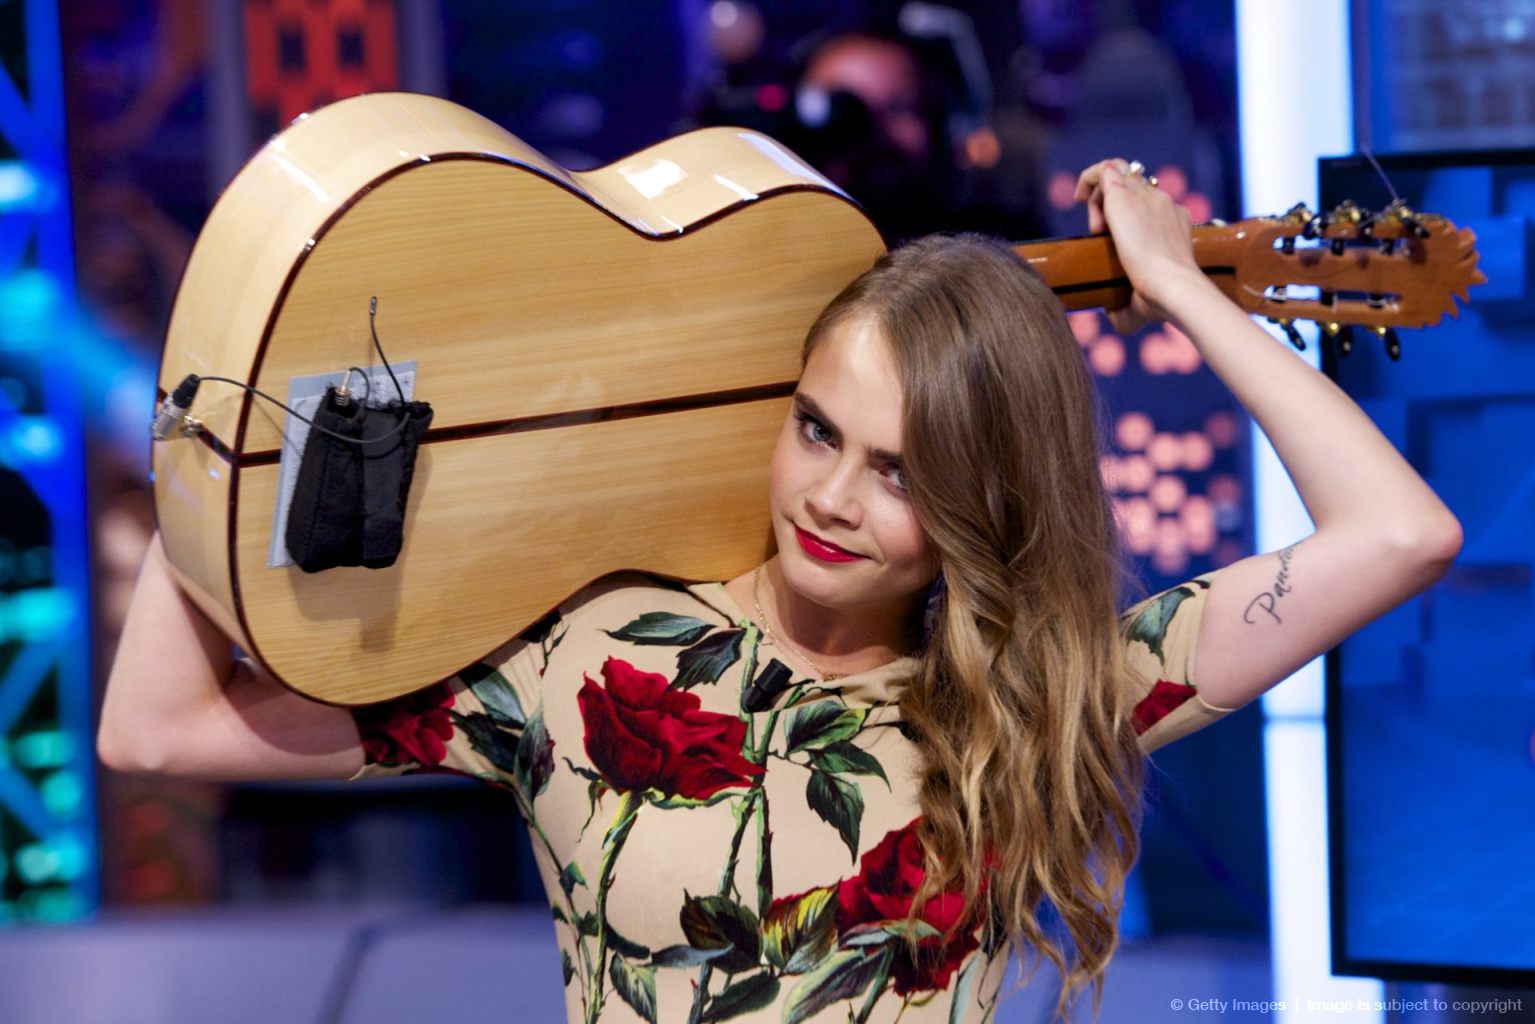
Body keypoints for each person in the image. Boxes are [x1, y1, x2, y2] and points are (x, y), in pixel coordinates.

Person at [99, 160, 1462, 1023]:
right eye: (817, 430)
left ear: (984, 505)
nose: (831, 497)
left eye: (901, 474)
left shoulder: (1039, 703)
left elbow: (1400, 533)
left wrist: (1180, 286)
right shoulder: (584, 654)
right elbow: (155, 730)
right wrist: (233, 433)